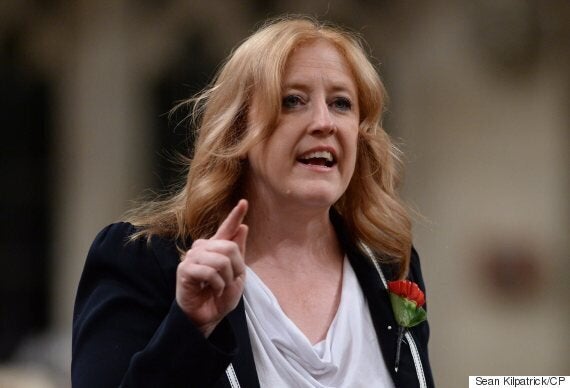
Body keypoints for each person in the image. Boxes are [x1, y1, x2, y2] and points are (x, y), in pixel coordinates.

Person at [72, 16, 434, 388]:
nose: (324, 122)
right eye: (292, 101)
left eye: (341, 103)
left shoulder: (388, 265)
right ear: (239, 127)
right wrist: (191, 327)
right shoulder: (145, 260)